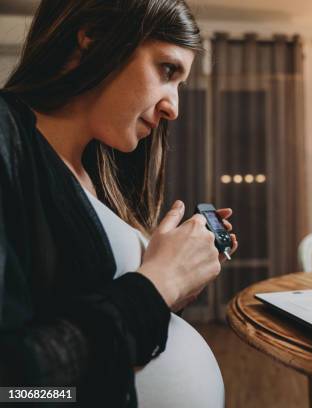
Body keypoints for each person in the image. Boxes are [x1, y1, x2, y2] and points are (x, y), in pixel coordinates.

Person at [0, 1, 236, 407]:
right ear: (93, 39)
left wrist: (174, 279)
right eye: (167, 70)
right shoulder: (8, 139)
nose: (173, 108)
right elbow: (17, 386)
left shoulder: (96, 168)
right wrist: (162, 283)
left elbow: (92, 303)